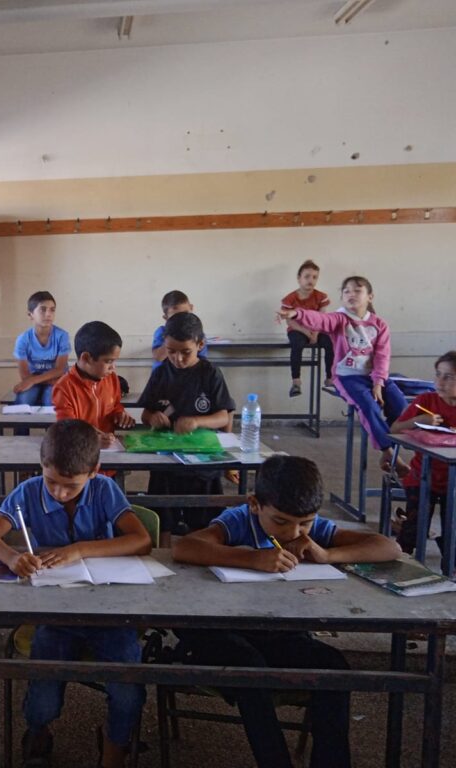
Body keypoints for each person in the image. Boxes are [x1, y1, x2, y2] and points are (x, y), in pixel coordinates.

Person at [173, 455, 399, 768]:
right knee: (250, 669)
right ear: (255, 504)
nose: (294, 532)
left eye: (305, 523)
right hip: (220, 633)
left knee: (335, 669)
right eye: (281, 522)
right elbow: (184, 547)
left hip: (276, 634)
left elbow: (388, 547)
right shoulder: (239, 520)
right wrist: (252, 559)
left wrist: (328, 554)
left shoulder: (312, 530)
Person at [0, 419, 151, 768]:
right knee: (42, 699)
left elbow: (142, 540)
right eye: (51, 481)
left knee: (128, 693)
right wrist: (12, 558)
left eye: (71, 485)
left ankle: (114, 745)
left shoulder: (104, 490)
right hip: (55, 614)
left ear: (94, 471)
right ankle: (38, 729)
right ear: (41, 465)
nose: (59, 492)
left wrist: (80, 549)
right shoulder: (28, 492)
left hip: (110, 613)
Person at [278, 275, 409, 475]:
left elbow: (383, 356)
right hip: (347, 377)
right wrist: (296, 313)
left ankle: (392, 442)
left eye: (357, 290)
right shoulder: (340, 319)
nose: (351, 294)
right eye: (346, 291)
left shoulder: (379, 324)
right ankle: (388, 452)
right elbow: (320, 319)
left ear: (370, 296)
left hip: (374, 375)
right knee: (368, 406)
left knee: (402, 407)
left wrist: (378, 383)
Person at [140, 312, 235, 541]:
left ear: (200, 345)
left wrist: (197, 421)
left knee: (203, 520)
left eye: (186, 352)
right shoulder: (161, 373)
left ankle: (198, 550)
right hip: (165, 460)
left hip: (202, 461)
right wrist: (153, 418)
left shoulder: (210, 373)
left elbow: (224, 416)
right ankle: (162, 552)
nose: (178, 358)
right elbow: (145, 414)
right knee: (162, 517)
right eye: (171, 351)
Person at [389, 350, 456, 554]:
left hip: (453, 480)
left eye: (449, 377)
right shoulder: (426, 400)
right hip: (422, 476)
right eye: (438, 374)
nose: (440, 382)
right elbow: (395, 429)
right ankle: (403, 558)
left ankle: (449, 561)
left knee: (453, 529)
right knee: (414, 527)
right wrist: (419, 420)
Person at [52, 321, 134, 450]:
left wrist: (119, 415)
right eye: (108, 361)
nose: (113, 367)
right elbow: (68, 430)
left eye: (114, 361)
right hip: (81, 454)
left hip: (110, 452)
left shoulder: (111, 378)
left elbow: (115, 406)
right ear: (86, 358)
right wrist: (91, 440)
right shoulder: (64, 388)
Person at [280, 259, 335, 396]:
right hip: (297, 329)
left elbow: (322, 317)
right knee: (297, 344)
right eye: (307, 276)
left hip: (317, 329)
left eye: (315, 277)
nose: (311, 280)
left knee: (330, 342)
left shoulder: (321, 296)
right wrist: (305, 332)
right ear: (299, 278)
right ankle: (296, 381)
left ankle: (330, 378)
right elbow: (290, 322)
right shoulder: (290, 299)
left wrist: (315, 333)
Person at [12, 291, 71, 407]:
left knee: (51, 399)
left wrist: (34, 380)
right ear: (30, 315)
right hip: (38, 381)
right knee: (24, 399)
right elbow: (25, 376)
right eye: (43, 310)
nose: (48, 314)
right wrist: (34, 381)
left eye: (52, 310)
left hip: (53, 380)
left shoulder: (62, 336)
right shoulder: (23, 339)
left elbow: (59, 370)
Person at [152, 290, 208, 368]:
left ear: (191, 308)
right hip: (164, 373)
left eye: (185, 313)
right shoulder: (161, 332)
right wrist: (170, 341)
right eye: (175, 316)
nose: (181, 319)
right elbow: (158, 357)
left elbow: (201, 360)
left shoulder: (196, 333)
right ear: (166, 318)